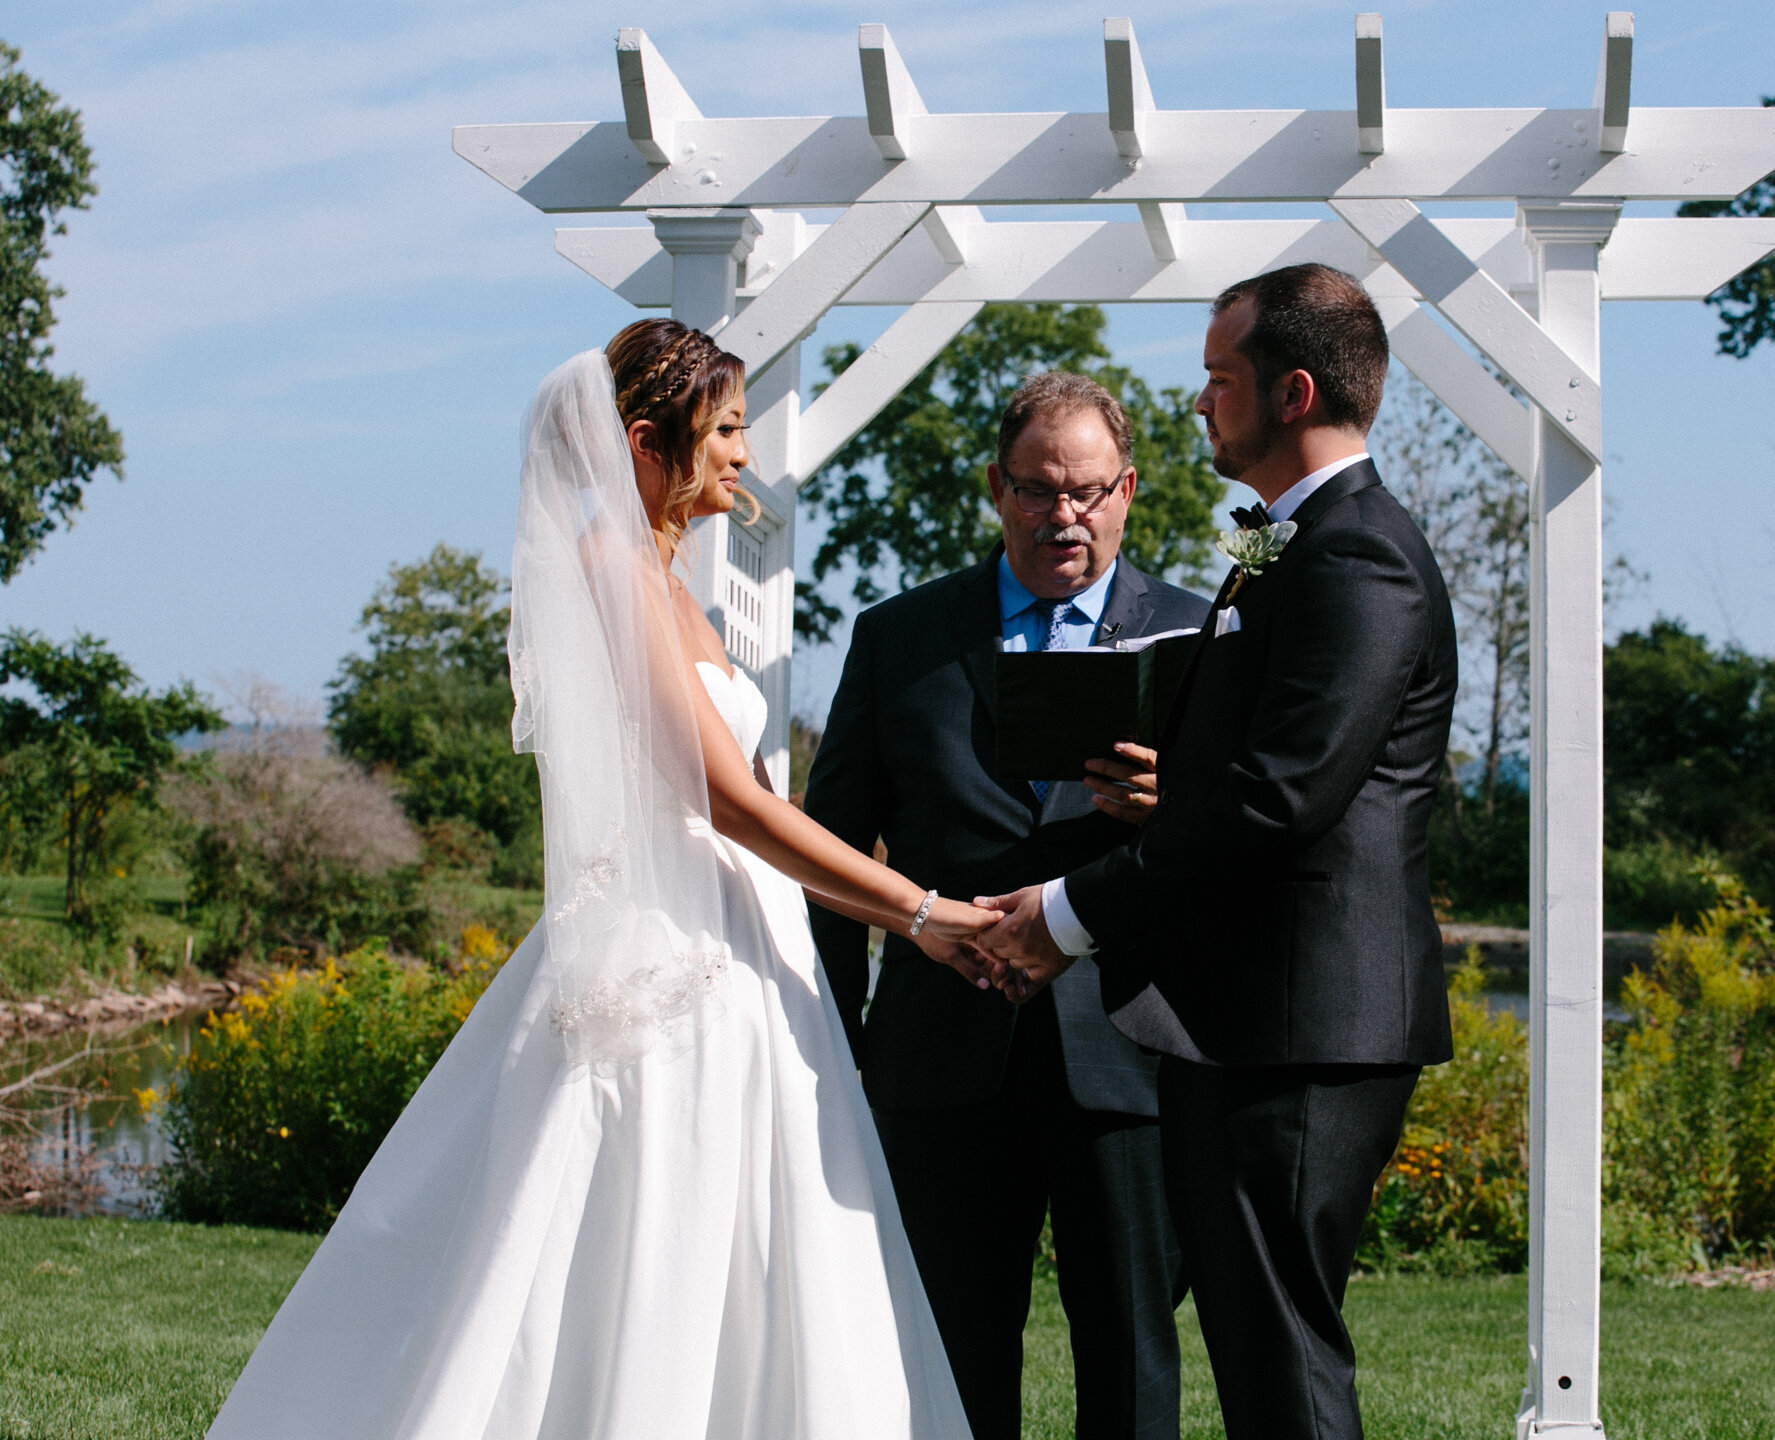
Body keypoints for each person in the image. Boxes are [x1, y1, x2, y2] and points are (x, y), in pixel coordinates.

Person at [207, 319, 998, 1440]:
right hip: (669, 960)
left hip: (740, 949)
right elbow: (728, 802)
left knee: (762, 1249)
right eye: (724, 430)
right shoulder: (611, 571)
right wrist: (917, 913)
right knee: (647, 1230)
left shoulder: (670, 581)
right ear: (645, 437)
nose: (744, 456)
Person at [974, 266, 1458, 1440]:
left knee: (1281, 1359)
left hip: (1303, 1026)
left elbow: (1281, 802)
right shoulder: (1297, 547)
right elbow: (1260, 781)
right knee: (1254, 1349)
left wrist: (1066, 914)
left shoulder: (1357, 557)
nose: (1199, 401)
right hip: (1253, 1021)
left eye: (1219, 378)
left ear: (1290, 393)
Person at [803, 371, 1210, 1440]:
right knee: (942, 1353)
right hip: (938, 1062)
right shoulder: (899, 639)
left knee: (1129, 1355)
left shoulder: (1202, 635)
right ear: (995, 488)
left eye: (1085, 492)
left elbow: (1250, 850)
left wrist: (1176, 808)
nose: (1061, 517)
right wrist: (827, 1043)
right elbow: (835, 854)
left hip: (1129, 1054)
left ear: (1128, 492)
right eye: (1036, 490)